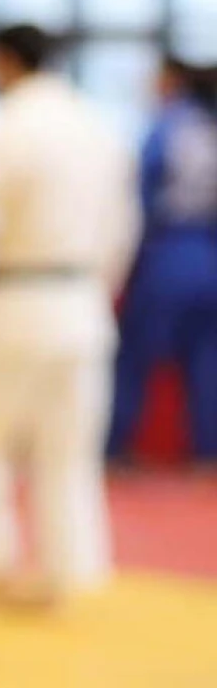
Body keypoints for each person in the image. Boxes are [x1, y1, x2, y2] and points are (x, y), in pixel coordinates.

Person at [0, 26, 138, 604]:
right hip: (84, 304)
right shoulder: (98, 126)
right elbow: (123, 230)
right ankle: (73, 572)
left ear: (6, 61)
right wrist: (94, 290)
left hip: (18, 301)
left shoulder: (9, 127)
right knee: (68, 450)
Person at [106, 56, 217, 468]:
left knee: (134, 357)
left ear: (173, 81)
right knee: (208, 364)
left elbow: (139, 200)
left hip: (168, 254)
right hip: (210, 255)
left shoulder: (168, 125)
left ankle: (116, 450)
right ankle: (208, 455)